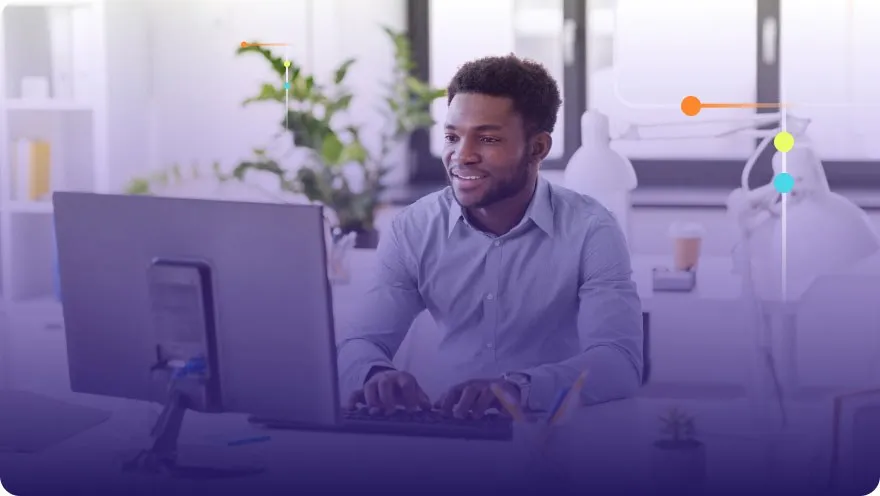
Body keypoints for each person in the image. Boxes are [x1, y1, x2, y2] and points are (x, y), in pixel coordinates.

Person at [337, 54, 643, 419]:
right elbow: (359, 342)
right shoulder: (413, 228)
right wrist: (375, 374)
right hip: (442, 430)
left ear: (538, 148)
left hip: (551, 433)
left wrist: (517, 388)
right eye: (452, 136)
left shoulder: (592, 229)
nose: (461, 156)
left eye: (487, 138)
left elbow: (618, 363)